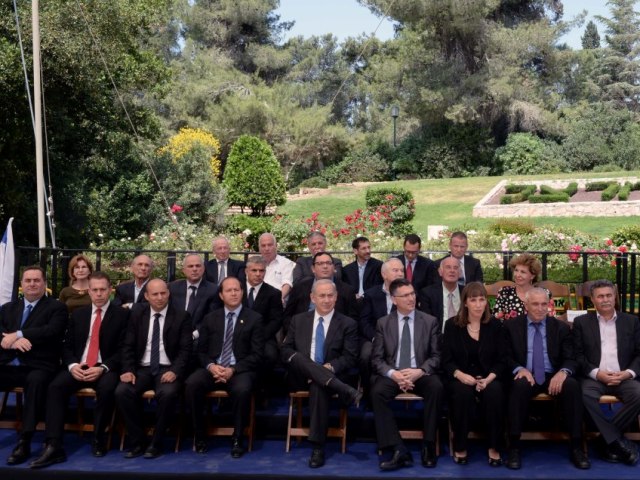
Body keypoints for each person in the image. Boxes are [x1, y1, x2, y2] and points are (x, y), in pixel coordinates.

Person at [29, 272, 129, 468]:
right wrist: (73, 365)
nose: (99, 294)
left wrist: (103, 367)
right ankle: (54, 444)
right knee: (55, 387)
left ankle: (99, 437)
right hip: (79, 366)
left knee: (108, 388)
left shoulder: (122, 315)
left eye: (103, 290)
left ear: (110, 290)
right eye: (95, 290)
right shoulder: (78, 314)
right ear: (89, 291)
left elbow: (124, 349)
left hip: (105, 368)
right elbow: (66, 345)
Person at [504, 288, 589, 470]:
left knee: (573, 386)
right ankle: (514, 446)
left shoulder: (561, 328)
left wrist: (563, 372)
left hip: (553, 374)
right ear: (526, 305)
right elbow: (505, 356)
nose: (540, 308)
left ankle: (576, 446)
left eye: (544, 304)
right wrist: (519, 369)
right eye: (535, 304)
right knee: (518, 386)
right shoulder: (511, 326)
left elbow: (571, 357)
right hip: (525, 373)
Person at [281, 279, 361, 468]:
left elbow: (350, 357)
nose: (326, 300)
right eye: (322, 296)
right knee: (298, 358)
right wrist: (310, 368)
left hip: (330, 376)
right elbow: (285, 350)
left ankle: (318, 447)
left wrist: (328, 369)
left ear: (336, 297)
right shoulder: (298, 320)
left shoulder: (347, 323)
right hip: (300, 376)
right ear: (312, 298)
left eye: (330, 295)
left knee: (319, 384)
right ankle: (346, 390)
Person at [185, 276, 264, 457]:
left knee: (243, 389)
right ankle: (199, 435)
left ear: (243, 293)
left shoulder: (254, 319)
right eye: (229, 290)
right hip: (213, 367)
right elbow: (201, 351)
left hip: (239, 369)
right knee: (192, 384)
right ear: (221, 295)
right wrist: (211, 366)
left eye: (237, 289)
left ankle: (237, 438)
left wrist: (232, 370)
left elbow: (257, 354)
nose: (234, 293)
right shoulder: (210, 318)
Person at [370, 278, 443, 471]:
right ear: (394, 300)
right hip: (395, 374)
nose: (411, 298)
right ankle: (398, 448)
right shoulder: (383, 323)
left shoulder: (429, 321)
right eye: (405, 295)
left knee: (436, 387)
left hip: (420, 372)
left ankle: (428, 445)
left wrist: (419, 371)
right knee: (377, 392)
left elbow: (437, 356)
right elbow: (376, 359)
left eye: (412, 293)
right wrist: (393, 374)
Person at [115, 278, 192, 459]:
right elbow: (126, 345)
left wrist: (175, 371)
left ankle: (156, 443)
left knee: (168, 393)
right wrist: (127, 370)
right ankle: (137, 441)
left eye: (163, 293)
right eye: (155, 294)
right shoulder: (136, 315)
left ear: (168, 294)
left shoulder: (182, 316)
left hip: (168, 368)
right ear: (147, 296)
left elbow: (186, 350)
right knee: (122, 392)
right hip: (141, 368)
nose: (159, 297)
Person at [0, 267, 68, 466]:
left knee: (36, 382)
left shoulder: (56, 307)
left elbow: (51, 331)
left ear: (44, 284)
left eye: (36, 280)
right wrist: (12, 342)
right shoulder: (8, 308)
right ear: (21, 284)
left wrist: (19, 334)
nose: (32, 284)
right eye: (28, 280)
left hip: (38, 365)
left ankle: (24, 440)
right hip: (7, 363)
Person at [573, 279, 640, 466]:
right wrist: (597, 373)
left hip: (624, 376)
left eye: (609, 295)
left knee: (639, 394)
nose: (605, 300)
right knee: (583, 394)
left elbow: (639, 353)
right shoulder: (581, 322)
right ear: (593, 300)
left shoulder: (632, 321)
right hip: (594, 377)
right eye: (600, 296)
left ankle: (605, 440)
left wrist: (628, 373)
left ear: (615, 297)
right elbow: (577, 356)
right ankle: (616, 441)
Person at [441, 282, 506, 466]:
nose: (478, 304)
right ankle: (460, 445)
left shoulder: (495, 325)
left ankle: (494, 446)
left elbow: (502, 360)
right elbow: (446, 360)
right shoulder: (452, 325)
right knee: (462, 394)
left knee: (495, 392)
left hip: (489, 376)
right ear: (466, 303)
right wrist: (460, 375)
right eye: (473, 300)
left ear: (487, 302)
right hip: (461, 376)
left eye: (482, 299)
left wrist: (489, 378)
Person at [283, 252, 357, 335]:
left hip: (335, 335)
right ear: (313, 269)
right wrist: (292, 334)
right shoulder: (299, 288)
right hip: (303, 332)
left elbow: (353, 320)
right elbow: (288, 316)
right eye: (320, 263)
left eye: (328, 263)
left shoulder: (347, 290)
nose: (325, 266)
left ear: (333, 267)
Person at [358, 258, 404, 389]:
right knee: (366, 355)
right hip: (373, 337)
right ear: (384, 274)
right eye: (395, 270)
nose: (400, 274)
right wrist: (376, 338)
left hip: (400, 337)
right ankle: (368, 394)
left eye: (402, 270)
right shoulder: (371, 294)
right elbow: (364, 321)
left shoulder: (409, 294)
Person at [169, 254, 222, 349]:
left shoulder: (213, 290)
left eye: (198, 266)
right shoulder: (172, 288)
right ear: (183, 270)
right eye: (190, 266)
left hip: (199, 339)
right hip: (173, 336)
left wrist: (193, 335)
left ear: (203, 268)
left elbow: (212, 319)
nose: (194, 269)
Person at [242, 256, 283, 367]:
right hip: (236, 334)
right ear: (246, 271)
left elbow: (276, 320)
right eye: (254, 270)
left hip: (263, 336)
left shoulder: (274, 293)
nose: (258, 274)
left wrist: (258, 337)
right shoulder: (237, 289)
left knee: (271, 355)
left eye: (261, 270)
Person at [492, 253, 548, 321]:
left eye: (523, 272)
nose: (518, 275)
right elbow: (496, 319)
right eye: (516, 270)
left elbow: (550, 322)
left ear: (532, 276)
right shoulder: (504, 292)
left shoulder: (544, 293)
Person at [418, 256, 464, 333]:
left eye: (455, 268)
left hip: (463, 337)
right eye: (448, 267)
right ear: (440, 271)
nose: (452, 271)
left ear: (460, 273)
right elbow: (427, 323)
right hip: (438, 338)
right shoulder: (427, 293)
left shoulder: (467, 292)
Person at [259, 233, 295, 303]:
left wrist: (278, 298)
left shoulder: (286, 263)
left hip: (277, 301)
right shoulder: (255, 264)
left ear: (276, 246)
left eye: (270, 245)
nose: (266, 248)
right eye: (263, 246)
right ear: (259, 248)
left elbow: (287, 284)